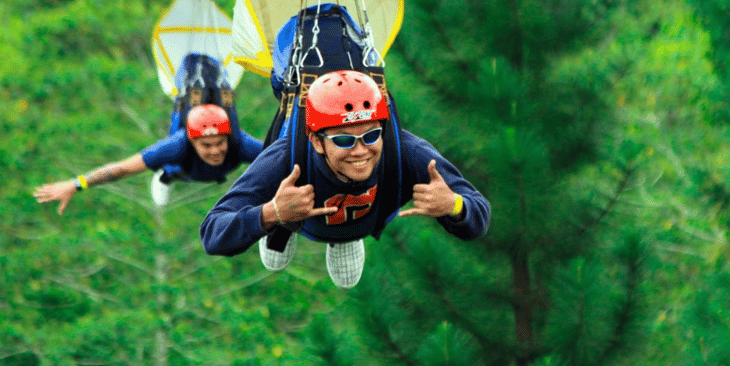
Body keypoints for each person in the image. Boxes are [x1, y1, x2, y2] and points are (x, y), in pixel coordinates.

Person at [199, 70, 490, 288]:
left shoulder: (407, 152)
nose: (361, 151)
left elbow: (480, 214)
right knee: (274, 260)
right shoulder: (285, 157)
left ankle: (346, 238)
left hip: (367, 216)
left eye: (372, 135)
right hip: (295, 216)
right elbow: (212, 233)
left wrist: (454, 205)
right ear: (315, 140)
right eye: (343, 140)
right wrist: (271, 213)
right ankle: (282, 228)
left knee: (348, 278)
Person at [35, 104, 263, 215]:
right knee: (171, 168)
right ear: (192, 141)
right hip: (181, 169)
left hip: (228, 168)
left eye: (219, 143)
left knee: (268, 171)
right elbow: (123, 168)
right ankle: (165, 178)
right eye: (206, 145)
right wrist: (77, 184)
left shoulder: (240, 143)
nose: (214, 150)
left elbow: (284, 159)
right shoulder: (176, 145)